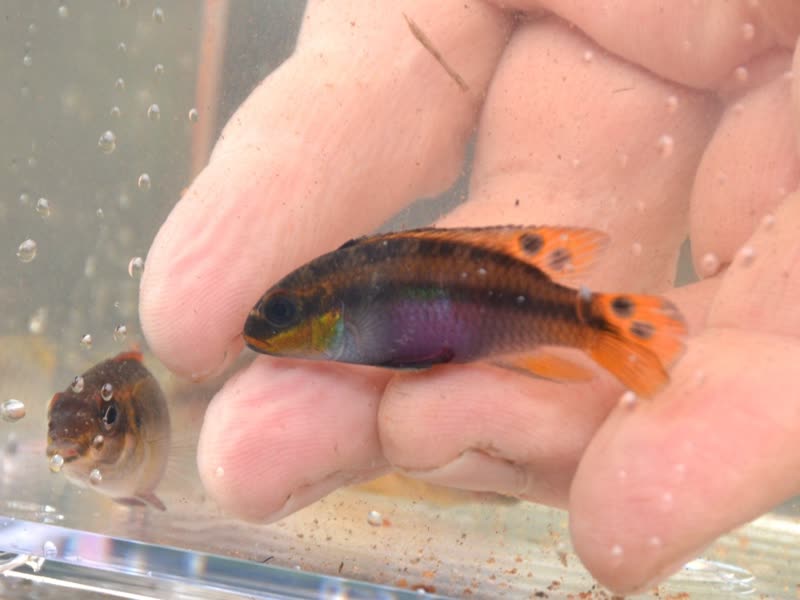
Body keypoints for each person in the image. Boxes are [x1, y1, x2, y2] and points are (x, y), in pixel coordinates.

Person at [139, 1, 800, 593]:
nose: (270, 326)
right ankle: (606, 327)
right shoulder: (347, 306)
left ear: (325, 310)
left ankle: (606, 327)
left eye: (283, 313)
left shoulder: (349, 303)